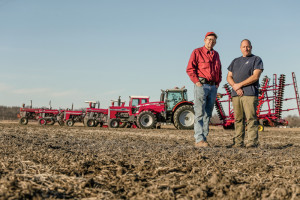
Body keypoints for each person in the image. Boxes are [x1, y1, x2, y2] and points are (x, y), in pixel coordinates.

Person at [186, 32, 222, 148]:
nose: (211, 42)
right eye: (209, 39)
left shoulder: (216, 54)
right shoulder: (197, 52)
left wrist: (217, 83)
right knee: (199, 113)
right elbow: (190, 69)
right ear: (204, 40)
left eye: (213, 40)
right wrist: (197, 82)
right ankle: (198, 139)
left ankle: (204, 138)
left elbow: (219, 70)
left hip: (212, 87)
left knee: (208, 113)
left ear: (215, 42)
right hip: (201, 85)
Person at [227, 39, 263, 148]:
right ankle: (238, 143)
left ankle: (252, 142)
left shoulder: (256, 59)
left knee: (251, 118)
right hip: (236, 94)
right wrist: (235, 86)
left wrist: (240, 85)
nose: (246, 48)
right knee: (238, 119)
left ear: (251, 47)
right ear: (240, 48)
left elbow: (255, 76)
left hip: (249, 94)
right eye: (243, 47)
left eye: (247, 46)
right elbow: (229, 76)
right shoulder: (235, 61)